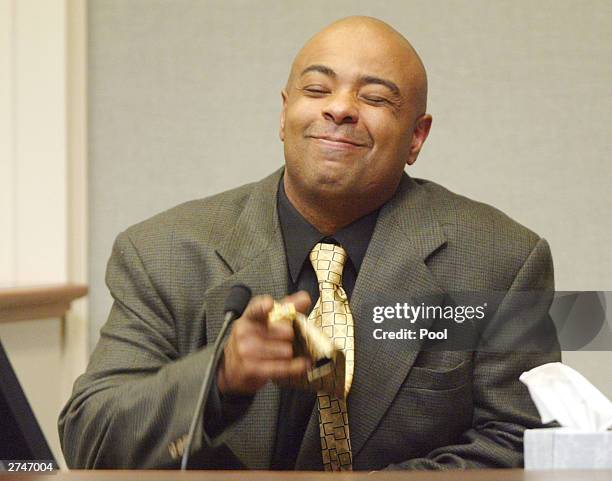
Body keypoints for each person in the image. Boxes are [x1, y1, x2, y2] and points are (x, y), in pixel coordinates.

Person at [59, 16, 559, 470]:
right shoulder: (162, 253)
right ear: (284, 114)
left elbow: (521, 437)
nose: (340, 109)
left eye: (376, 98)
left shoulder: (500, 260)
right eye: (318, 89)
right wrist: (219, 379)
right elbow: (90, 439)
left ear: (416, 138)